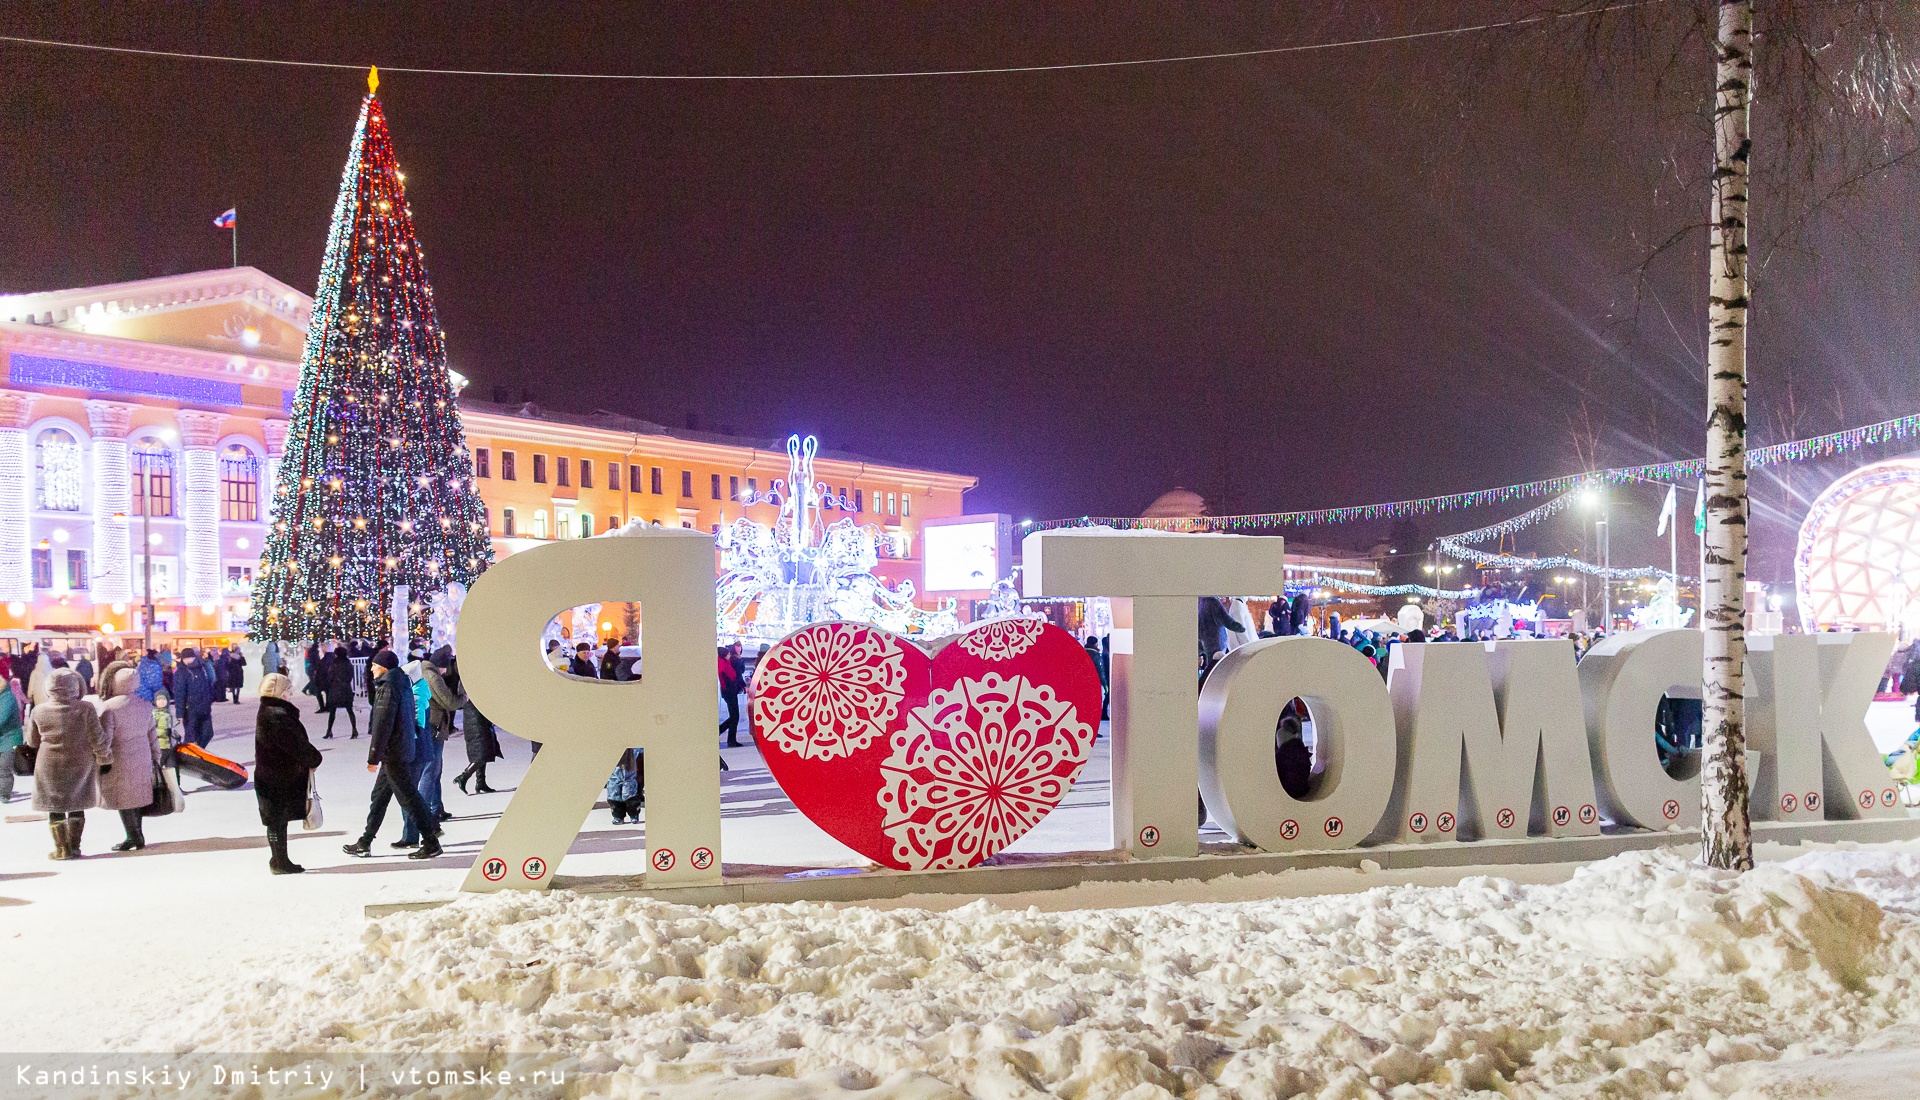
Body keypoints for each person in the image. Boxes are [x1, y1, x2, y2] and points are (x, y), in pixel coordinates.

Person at [342, 650, 441, 860]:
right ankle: (365, 841)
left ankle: (431, 842)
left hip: (394, 754)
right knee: (379, 798)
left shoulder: (388, 688)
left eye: (374, 665)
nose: (371, 669)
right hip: (396, 752)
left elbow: (382, 726)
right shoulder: (401, 684)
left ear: (383, 667)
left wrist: (373, 757)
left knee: (410, 799)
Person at [28, 669, 109, 860]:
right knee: (76, 802)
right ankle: (75, 847)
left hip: (49, 764)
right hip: (80, 761)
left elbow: (32, 742)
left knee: (54, 806)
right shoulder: (86, 708)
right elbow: (98, 737)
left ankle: (61, 849)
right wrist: (104, 757)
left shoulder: (38, 710)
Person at [254, 673, 322, 874]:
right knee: (276, 821)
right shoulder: (276, 716)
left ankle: (279, 860)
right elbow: (295, 745)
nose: (291, 693)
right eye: (288, 690)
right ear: (279, 693)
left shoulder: (271, 711)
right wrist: (314, 758)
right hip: (277, 778)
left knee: (276, 820)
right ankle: (279, 861)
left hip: (273, 776)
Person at [97, 667, 160, 852]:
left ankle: (132, 836)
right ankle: (137, 835)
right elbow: (152, 735)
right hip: (142, 755)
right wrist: (156, 756)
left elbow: (105, 738)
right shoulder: (145, 704)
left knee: (124, 799)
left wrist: (102, 759)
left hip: (120, 757)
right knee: (136, 797)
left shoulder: (109, 707)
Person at [453, 677, 502, 794]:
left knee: (483, 750)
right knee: (483, 752)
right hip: (476, 719)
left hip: (477, 719)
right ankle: (463, 776)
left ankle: (481, 782)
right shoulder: (468, 680)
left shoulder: (468, 679)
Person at [173, 648, 217, 748]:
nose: (189, 660)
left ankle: (198, 752)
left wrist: (209, 700)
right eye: (186, 658)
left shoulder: (203, 668)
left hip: (204, 708)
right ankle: (187, 757)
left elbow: (209, 685)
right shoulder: (181, 673)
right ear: (182, 659)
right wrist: (180, 713)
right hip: (190, 710)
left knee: (208, 733)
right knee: (191, 737)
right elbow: (179, 694)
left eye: (191, 658)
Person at [322, 645, 359, 738]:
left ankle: (329, 730)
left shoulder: (334, 663)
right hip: (346, 689)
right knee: (350, 710)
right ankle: (354, 730)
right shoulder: (348, 663)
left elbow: (330, 676)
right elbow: (350, 676)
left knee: (332, 712)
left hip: (335, 689)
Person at [718, 645, 745, 748]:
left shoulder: (724, 663)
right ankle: (728, 737)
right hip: (730, 692)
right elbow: (733, 675)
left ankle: (728, 737)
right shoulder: (724, 665)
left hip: (728, 692)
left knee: (734, 716)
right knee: (735, 716)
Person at [0, 674, 20, 803]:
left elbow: (2, 718)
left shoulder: (7, 698)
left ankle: (4, 794)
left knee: (4, 767)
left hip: (10, 738)